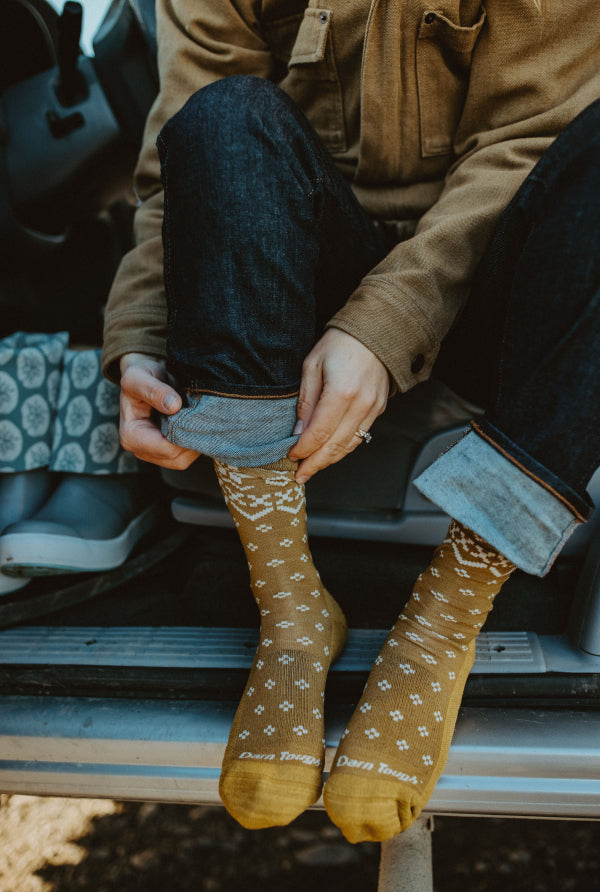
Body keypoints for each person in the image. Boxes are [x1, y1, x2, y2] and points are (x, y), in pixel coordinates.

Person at [101, 0, 600, 843]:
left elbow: (532, 139)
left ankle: (442, 625)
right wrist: (142, 333)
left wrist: (387, 323)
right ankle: (293, 615)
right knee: (223, 119)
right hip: (305, 274)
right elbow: (177, 162)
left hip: (490, 275)